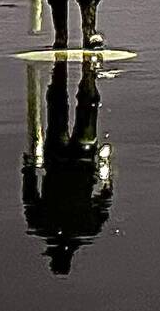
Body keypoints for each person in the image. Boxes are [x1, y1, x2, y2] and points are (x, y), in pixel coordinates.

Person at [22, 57, 112, 275]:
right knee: (59, 106)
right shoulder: (42, 225)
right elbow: (30, 194)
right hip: (60, 160)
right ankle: (68, 70)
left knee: (82, 108)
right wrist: (29, 168)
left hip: (79, 161)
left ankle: (83, 71)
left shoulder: (86, 229)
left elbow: (105, 199)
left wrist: (106, 176)